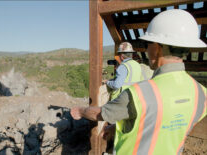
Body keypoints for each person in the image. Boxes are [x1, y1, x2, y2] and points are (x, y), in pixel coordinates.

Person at [71, 9, 207, 155]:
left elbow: (100, 113)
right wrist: (116, 129)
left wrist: (80, 111)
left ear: (156, 47)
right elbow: (165, 124)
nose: (147, 50)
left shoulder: (140, 94)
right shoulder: (201, 93)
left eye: (147, 43)